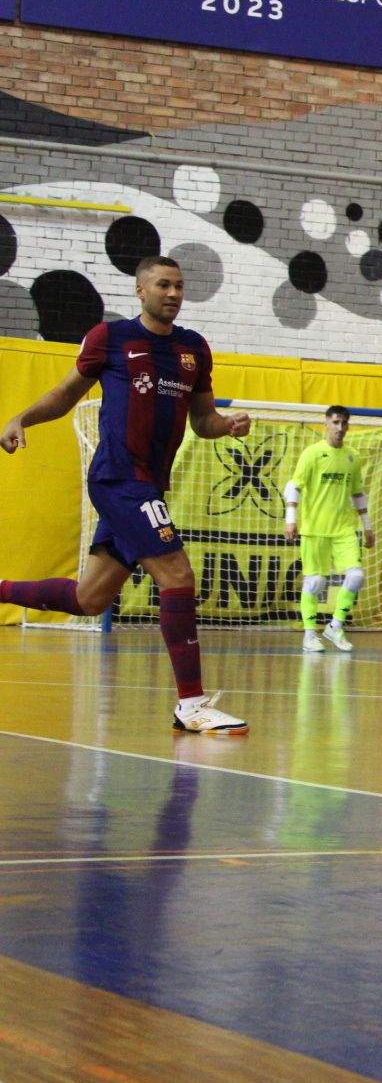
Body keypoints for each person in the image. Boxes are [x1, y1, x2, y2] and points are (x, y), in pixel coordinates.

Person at [0, 255, 251, 734]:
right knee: (177, 575)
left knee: (90, 598)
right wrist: (21, 418)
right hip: (119, 479)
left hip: (148, 485)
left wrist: (227, 425)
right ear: (141, 290)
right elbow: (66, 394)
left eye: (179, 286)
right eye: (163, 285)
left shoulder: (194, 348)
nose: (173, 294)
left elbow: (203, 420)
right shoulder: (110, 338)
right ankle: (191, 705)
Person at [283, 405, 372, 654]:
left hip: (344, 529)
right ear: (326, 424)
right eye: (335, 422)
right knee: (315, 582)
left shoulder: (352, 457)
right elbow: (294, 486)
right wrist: (291, 519)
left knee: (356, 576)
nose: (340, 428)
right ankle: (310, 635)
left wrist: (367, 526)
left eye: (344, 423)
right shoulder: (312, 454)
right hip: (315, 529)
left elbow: (358, 493)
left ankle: (335, 627)